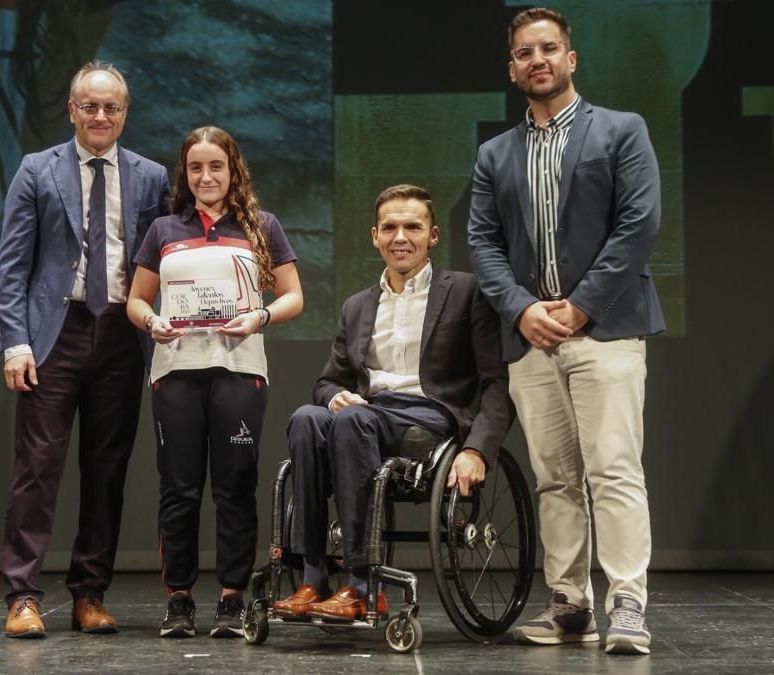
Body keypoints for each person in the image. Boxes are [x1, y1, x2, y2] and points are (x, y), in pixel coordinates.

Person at [467, 7, 666, 656]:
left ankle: (628, 604)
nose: (538, 59)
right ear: (512, 69)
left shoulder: (621, 131)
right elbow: (483, 243)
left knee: (612, 469)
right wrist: (523, 309)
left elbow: (638, 224)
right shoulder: (495, 154)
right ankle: (570, 603)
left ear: (571, 59)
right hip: (530, 338)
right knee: (555, 476)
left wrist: (579, 307)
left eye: (549, 48)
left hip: (604, 329)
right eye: (525, 52)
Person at [272, 184, 512, 622]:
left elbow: (495, 382)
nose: (400, 236)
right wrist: (335, 396)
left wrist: (477, 449)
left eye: (412, 226)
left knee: (355, 420)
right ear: (375, 236)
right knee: (307, 419)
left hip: (429, 415)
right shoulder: (357, 306)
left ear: (433, 235)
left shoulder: (465, 291)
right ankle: (311, 577)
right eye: (390, 227)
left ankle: (364, 584)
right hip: (368, 415)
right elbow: (328, 381)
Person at [0, 62, 170, 638]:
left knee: (107, 471)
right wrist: (15, 343)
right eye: (90, 106)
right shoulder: (35, 170)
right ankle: (22, 595)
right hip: (54, 335)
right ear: (72, 110)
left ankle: (89, 594)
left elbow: (162, 262)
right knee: (36, 471)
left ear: (125, 113)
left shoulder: (151, 175)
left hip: (123, 335)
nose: (100, 116)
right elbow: (13, 267)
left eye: (111, 107)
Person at [126, 126, 304, 639]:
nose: (206, 176)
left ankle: (231, 599)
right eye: (196, 167)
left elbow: (293, 295)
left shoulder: (261, 225)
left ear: (233, 170)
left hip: (240, 372)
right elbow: (137, 300)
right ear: (185, 173)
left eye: (216, 166)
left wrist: (260, 318)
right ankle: (179, 599)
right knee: (179, 491)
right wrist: (149, 321)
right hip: (175, 373)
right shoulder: (163, 228)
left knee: (235, 489)